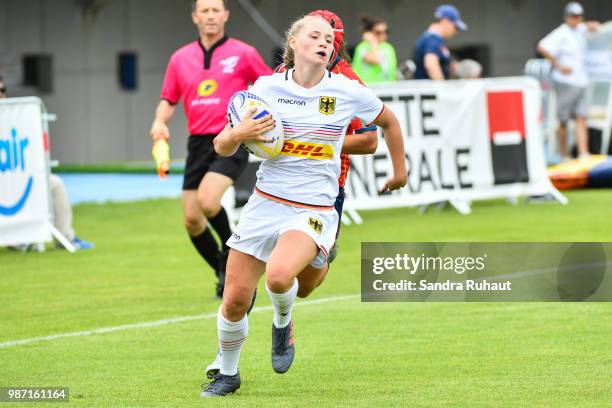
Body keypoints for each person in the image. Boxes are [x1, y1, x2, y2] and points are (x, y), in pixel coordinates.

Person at [201, 15, 407, 397]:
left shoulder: (346, 91)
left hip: (312, 208)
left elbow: (390, 123)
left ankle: (283, 319)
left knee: (279, 276)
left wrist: (400, 171)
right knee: (234, 299)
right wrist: (238, 133)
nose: (324, 42)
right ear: (293, 43)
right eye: (314, 36)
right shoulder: (265, 87)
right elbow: (221, 146)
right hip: (265, 204)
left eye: (329, 39)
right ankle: (227, 373)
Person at [150, 0, 272, 297]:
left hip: (232, 138)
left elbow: (270, 85)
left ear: (226, 15)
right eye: (204, 11)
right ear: (195, 17)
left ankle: (232, 260)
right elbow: (169, 99)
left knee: (207, 201)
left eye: (216, 10)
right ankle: (222, 266)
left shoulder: (244, 53)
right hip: (197, 143)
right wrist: (158, 122)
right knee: (192, 220)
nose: (210, 16)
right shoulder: (180, 58)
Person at [0, 75, 93, 252]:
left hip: (17, 176)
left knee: (54, 183)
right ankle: (16, 238)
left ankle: (66, 238)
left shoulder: (13, 116)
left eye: (2, 91)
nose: (1, 95)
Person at [538, 2, 600, 161]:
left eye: (579, 16)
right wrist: (559, 65)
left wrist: (592, 25)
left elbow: (590, 26)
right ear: (567, 17)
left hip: (581, 81)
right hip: (565, 81)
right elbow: (542, 46)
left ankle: (583, 153)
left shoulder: (580, 30)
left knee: (581, 117)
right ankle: (564, 154)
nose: (576, 19)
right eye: (573, 16)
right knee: (563, 120)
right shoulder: (561, 32)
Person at [414, 4, 468, 80]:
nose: (455, 32)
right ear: (446, 21)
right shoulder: (432, 39)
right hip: (430, 90)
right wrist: (442, 88)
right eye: (455, 27)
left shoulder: (433, 39)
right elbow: (431, 65)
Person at [352, 15, 398, 84]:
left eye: (386, 31)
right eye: (378, 32)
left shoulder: (389, 47)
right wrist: (372, 41)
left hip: (388, 90)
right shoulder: (362, 47)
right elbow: (377, 60)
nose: (383, 35)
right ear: (370, 32)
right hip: (367, 90)